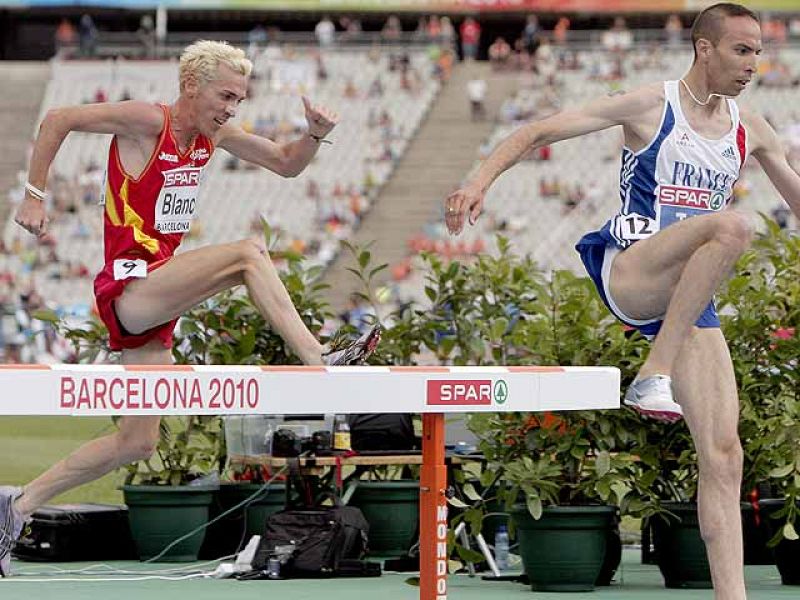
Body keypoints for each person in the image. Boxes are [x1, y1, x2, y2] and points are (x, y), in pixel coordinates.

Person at [444, 5, 799, 598]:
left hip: (688, 299)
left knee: (724, 454)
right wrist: (477, 182)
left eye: (759, 53)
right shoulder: (650, 106)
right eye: (742, 50)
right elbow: (538, 131)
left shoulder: (752, 128)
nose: (753, 65)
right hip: (634, 270)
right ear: (704, 49)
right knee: (732, 226)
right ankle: (652, 373)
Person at [2, 40, 381, 577]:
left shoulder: (213, 137)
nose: (232, 108)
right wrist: (35, 194)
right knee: (248, 254)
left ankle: (15, 508)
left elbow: (286, 164)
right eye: (225, 96)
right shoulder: (145, 121)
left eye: (239, 99)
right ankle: (319, 357)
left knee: (138, 441)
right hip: (130, 288)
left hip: (160, 300)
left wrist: (315, 134)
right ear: (190, 86)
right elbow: (59, 117)